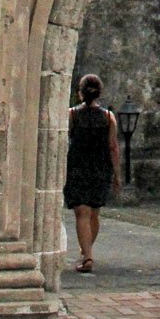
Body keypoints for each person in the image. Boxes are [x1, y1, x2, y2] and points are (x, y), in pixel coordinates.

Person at [63, 73, 121, 272]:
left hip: (78, 166)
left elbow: (64, 142)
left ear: (80, 92)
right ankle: (86, 252)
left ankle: (87, 255)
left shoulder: (71, 115)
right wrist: (117, 174)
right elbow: (113, 147)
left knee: (82, 213)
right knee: (94, 213)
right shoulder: (108, 117)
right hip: (100, 167)